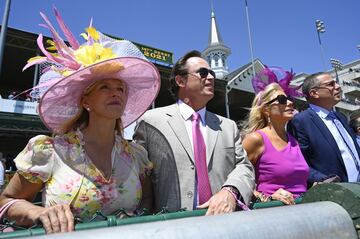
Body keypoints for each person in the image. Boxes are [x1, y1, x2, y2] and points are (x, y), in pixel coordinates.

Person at [0, 7, 160, 234]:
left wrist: (134, 217)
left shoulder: (136, 156)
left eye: (120, 88)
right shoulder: (49, 151)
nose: (116, 93)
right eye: (105, 87)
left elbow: (148, 201)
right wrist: (38, 213)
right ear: (86, 101)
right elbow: (7, 201)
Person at [133, 50, 255, 215]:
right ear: (181, 80)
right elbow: (141, 178)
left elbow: (244, 167)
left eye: (212, 73)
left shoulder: (228, 126)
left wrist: (230, 191)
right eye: (203, 73)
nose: (211, 77)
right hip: (173, 227)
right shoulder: (150, 122)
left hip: (223, 224)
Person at [242, 67, 309, 205]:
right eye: (282, 99)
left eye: (289, 98)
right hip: (273, 215)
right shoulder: (256, 139)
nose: (290, 102)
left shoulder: (293, 141)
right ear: (266, 110)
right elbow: (236, 180)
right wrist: (268, 198)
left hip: (303, 212)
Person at [288, 72, 360, 183]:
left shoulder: (341, 117)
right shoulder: (301, 121)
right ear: (314, 93)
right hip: (336, 194)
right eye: (331, 84)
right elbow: (298, 162)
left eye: (336, 83)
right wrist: (323, 180)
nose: (338, 86)